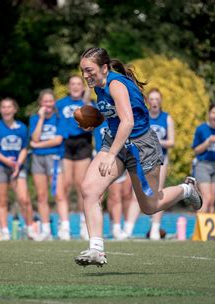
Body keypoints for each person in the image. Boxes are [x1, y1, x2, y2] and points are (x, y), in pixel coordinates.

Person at [75, 47, 202, 266]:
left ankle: (187, 189)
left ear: (104, 68)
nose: (85, 76)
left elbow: (129, 122)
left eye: (89, 70)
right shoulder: (100, 85)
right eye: (82, 71)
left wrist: (109, 155)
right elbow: (118, 117)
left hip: (141, 146)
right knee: (89, 189)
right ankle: (96, 249)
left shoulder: (115, 84)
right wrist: (96, 123)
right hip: (115, 140)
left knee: (149, 206)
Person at [122, 88, 175, 240]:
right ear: (147, 101)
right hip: (140, 159)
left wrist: (154, 141)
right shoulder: (142, 116)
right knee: (136, 194)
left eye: (157, 99)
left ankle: (155, 230)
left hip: (159, 160)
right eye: (151, 99)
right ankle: (128, 229)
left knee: (157, 193)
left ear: (161, 101)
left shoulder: (166, 118)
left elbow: (171, 142)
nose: (154, 102)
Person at [0, 97, 34, 240]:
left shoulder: (22, 127)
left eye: (9, 107)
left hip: (17, 168)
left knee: (24, 199)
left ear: (15, 109)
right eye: (3, 107)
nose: (6, 110)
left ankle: (30, 229)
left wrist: (18, 164)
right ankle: (4, 230)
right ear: (0, 110)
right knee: (2, 200)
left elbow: (24, 148)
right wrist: (6, 161)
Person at [29, 89, 69, 241]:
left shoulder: (60, 118)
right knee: (41, 195)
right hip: (38, 160)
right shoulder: (34, 118)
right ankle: (45, 229)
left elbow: (57, 140)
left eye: (50, 101)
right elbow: (34, 137)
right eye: (45, 101)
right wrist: (40, 119)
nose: (48, 104)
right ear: (41, 103)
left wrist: (37, 146)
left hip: (54, 158)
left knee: (59, 194)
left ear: (54, 103)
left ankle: (64, 228)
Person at [56, 75, 92, 240]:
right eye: (73, 84)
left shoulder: (88, 104)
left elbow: (93, 126)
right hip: (66, 144)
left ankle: (84, 224)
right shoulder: (60, 104)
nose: (76, 86)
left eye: (79, 84)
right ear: (69, 86)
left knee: (81, 186)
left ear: (82, 87)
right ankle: (64, 225)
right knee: (65, 185)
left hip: (83, 143)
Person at [93, 120, 131, 240]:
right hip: (99, 156)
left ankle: (116, 226)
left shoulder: (120, 117)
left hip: (116, 157)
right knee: (96, 195)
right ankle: (93, 228)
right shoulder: (96, 115)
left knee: (116, 195)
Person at [192, 103, 215, 213]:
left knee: (212, 200)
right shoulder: (201, 129)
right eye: (213, 112)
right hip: (202, 164)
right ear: (209, 114)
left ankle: (209, 230)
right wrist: (207, 142)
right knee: (206, 198)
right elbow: (196, 150)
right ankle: (198, 228)